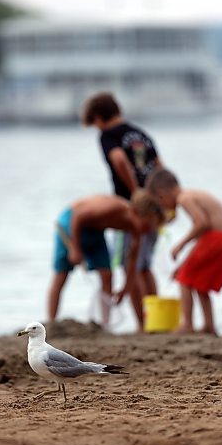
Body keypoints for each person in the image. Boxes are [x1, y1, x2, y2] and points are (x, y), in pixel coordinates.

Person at [81, 92, 163, 323]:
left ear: (98, 117)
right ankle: (155, 321)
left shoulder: (109, 135)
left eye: (94, 123)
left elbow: (118, 159)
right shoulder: (141, 134)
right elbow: (160, 168)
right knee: (145, 266)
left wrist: (135, 191)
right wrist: (157, 200)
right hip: (154, 207)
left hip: (131, 208)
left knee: (130, 266)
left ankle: (142, 322)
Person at [47, 189, 165, 332]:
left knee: (107, 275)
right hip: (71, 224)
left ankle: (105, 325)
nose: (146, 231)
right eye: (146, 226)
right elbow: (78, 217)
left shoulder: (135, 230)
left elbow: (132, 262)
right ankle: (51, 322)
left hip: (95, 232)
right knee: (61, 274)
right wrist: (75, 249)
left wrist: (125, 289)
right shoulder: (114, 208)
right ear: (135, 212)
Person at [147, 168, 222, 336]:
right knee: (200, 284)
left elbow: (201, 223)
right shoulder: (193, 194)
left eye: (160, 203)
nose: (164, 207)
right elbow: (204, 234)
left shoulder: (184, 198)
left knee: (184, 279)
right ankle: (209, 326)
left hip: (217, 238)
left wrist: (181, 244)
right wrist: (183, 262)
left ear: (162, 194)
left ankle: (187, 324)